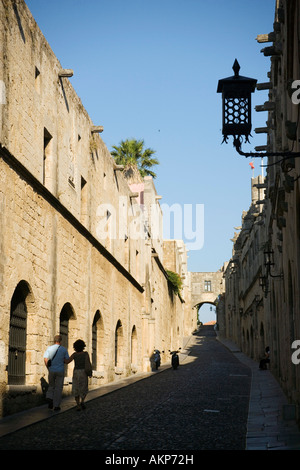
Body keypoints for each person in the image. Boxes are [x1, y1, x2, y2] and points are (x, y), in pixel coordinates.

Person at [44, 335, 69, 411]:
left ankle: (49, 397)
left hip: (52, 370)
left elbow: (45, 359)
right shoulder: (64, 350)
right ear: (60, 341)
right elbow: (66, 361)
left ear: (54, 341)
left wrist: (49, 368)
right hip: (60, 371)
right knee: (58, 388)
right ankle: (56, 405)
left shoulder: (49, 348)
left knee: (51, 385)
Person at [65, 339, 92, 411]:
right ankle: (82, 401)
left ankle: (78, 405)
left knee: (76, 387)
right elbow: (88, 363)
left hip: (76, 372)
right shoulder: (85, 354)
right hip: (83, 372)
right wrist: (89, 373)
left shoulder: (74, 355)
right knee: (84, 387)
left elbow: (67, 361)